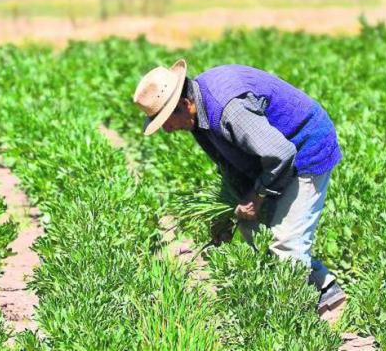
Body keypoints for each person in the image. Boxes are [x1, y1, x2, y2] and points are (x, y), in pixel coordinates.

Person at [133, 59, 346, 316]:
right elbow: (232, 165)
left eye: (165, 120)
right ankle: (323, 288)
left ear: (183, 105)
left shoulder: (228, 110)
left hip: (305, 148)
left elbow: (280, 154)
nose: (166, 130)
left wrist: (257, 196)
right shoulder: (198, 118)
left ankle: (294, 319)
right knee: (250, 225)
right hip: (273, 157)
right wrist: (226, 215)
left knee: (287, 244)